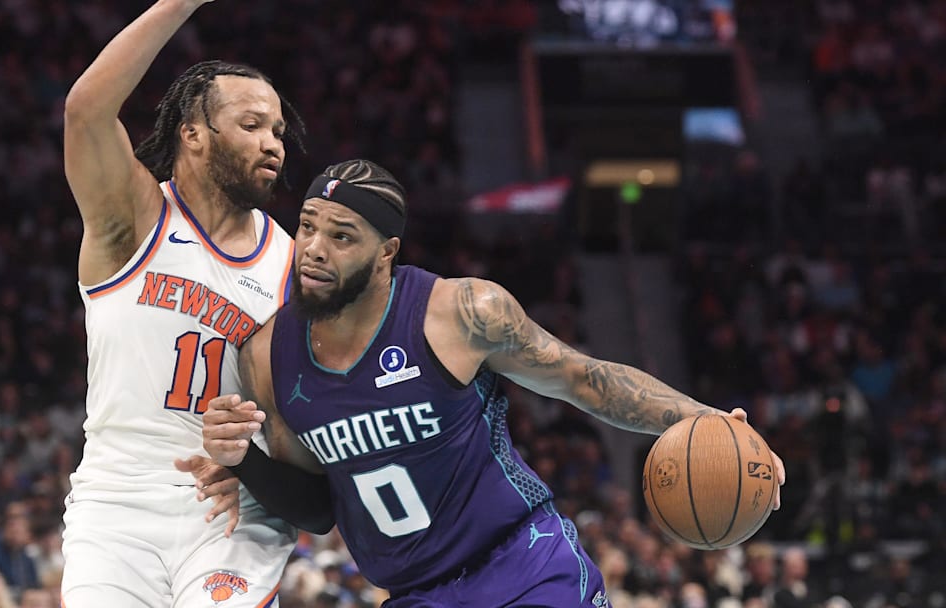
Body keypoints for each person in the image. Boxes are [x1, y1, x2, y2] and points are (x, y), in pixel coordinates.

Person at [200, 159, 786, 606]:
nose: (313, 250)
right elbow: (315, 508)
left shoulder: (460, 313)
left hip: (524, 565)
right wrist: (245, 461)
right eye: (307, 226)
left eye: (342, 236)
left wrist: (706, 420)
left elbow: (583, 379)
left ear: (386, 254)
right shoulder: (267, 356)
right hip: (414, 594)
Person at [61, 0, 303, 605]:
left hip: (231, 507)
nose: (272, 144)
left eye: (277, 131)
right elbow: (86, 111)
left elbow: (302, 415)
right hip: (115, 504)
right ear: (192, 134)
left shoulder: (295, 264)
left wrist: (262, 472)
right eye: (252, 125)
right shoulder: (133, 220)